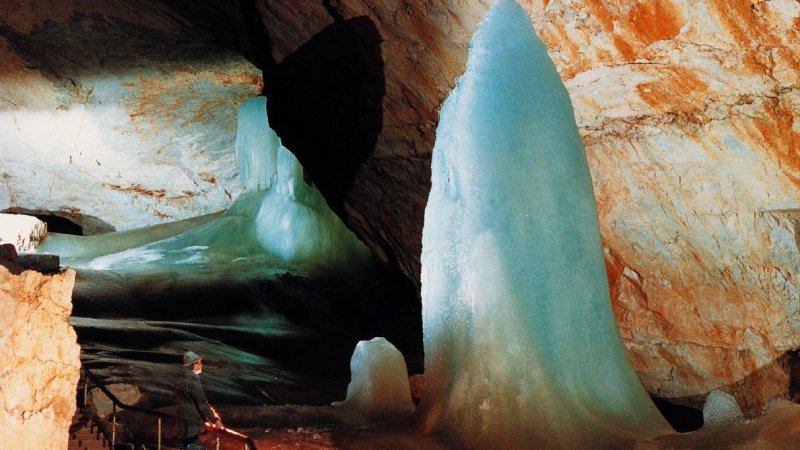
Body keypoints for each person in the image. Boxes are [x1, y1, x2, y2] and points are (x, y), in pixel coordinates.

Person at [176, 350, 222, 450]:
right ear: (194, 364)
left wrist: (207, 420)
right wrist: (215, 421)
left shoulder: (182, 378)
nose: (201, 365)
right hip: (192, 423)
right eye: (199, 362)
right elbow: (202, 402)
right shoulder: (192, 379)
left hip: (184, 422)